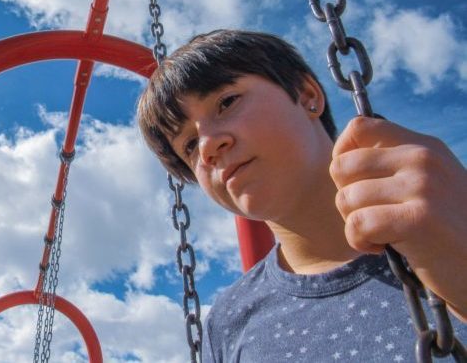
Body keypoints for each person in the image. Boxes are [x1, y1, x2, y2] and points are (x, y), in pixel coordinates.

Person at [137, 30, 467, 362]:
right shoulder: (228, 320)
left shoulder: (443, 220)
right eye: (189, 146)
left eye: (227, 102)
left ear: (308, 94)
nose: (207, 146)